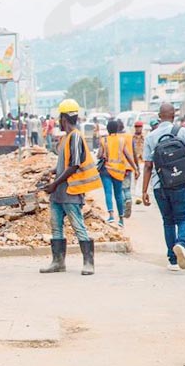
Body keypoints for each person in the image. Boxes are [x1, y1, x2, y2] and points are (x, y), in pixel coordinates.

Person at [41, 99, 102, 276]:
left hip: (70, 191)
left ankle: (88, 263)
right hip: (59, 192)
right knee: (56, 226)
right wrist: (52, 171)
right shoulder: (66, 138)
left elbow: (74, 165)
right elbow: (65, 164)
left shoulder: (75, 136)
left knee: (78, 226)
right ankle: (58, 262)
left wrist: (54, 184)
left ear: (63, 118)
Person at [142, 103, 185, 272]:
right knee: (183, 218)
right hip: (179, 183)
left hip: (159, 185)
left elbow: (147, 166)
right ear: (174, 115)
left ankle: (173, 260)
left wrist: (144, 190)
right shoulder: (181, 132)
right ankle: (181, 243)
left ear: (159, 116)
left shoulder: (151, 137)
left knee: (168, 221)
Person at [98, 120, 139, 227]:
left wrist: (102, 154)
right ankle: (121, 219)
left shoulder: (104, 140)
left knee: (108, 192)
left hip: (106, 170)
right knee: (118, 195)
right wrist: (135, 168)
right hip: (119, 171)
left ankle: (111, 215)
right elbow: (128, 155)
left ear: (107, 129)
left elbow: (99, 154)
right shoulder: (122, 140)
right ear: (117, 129)